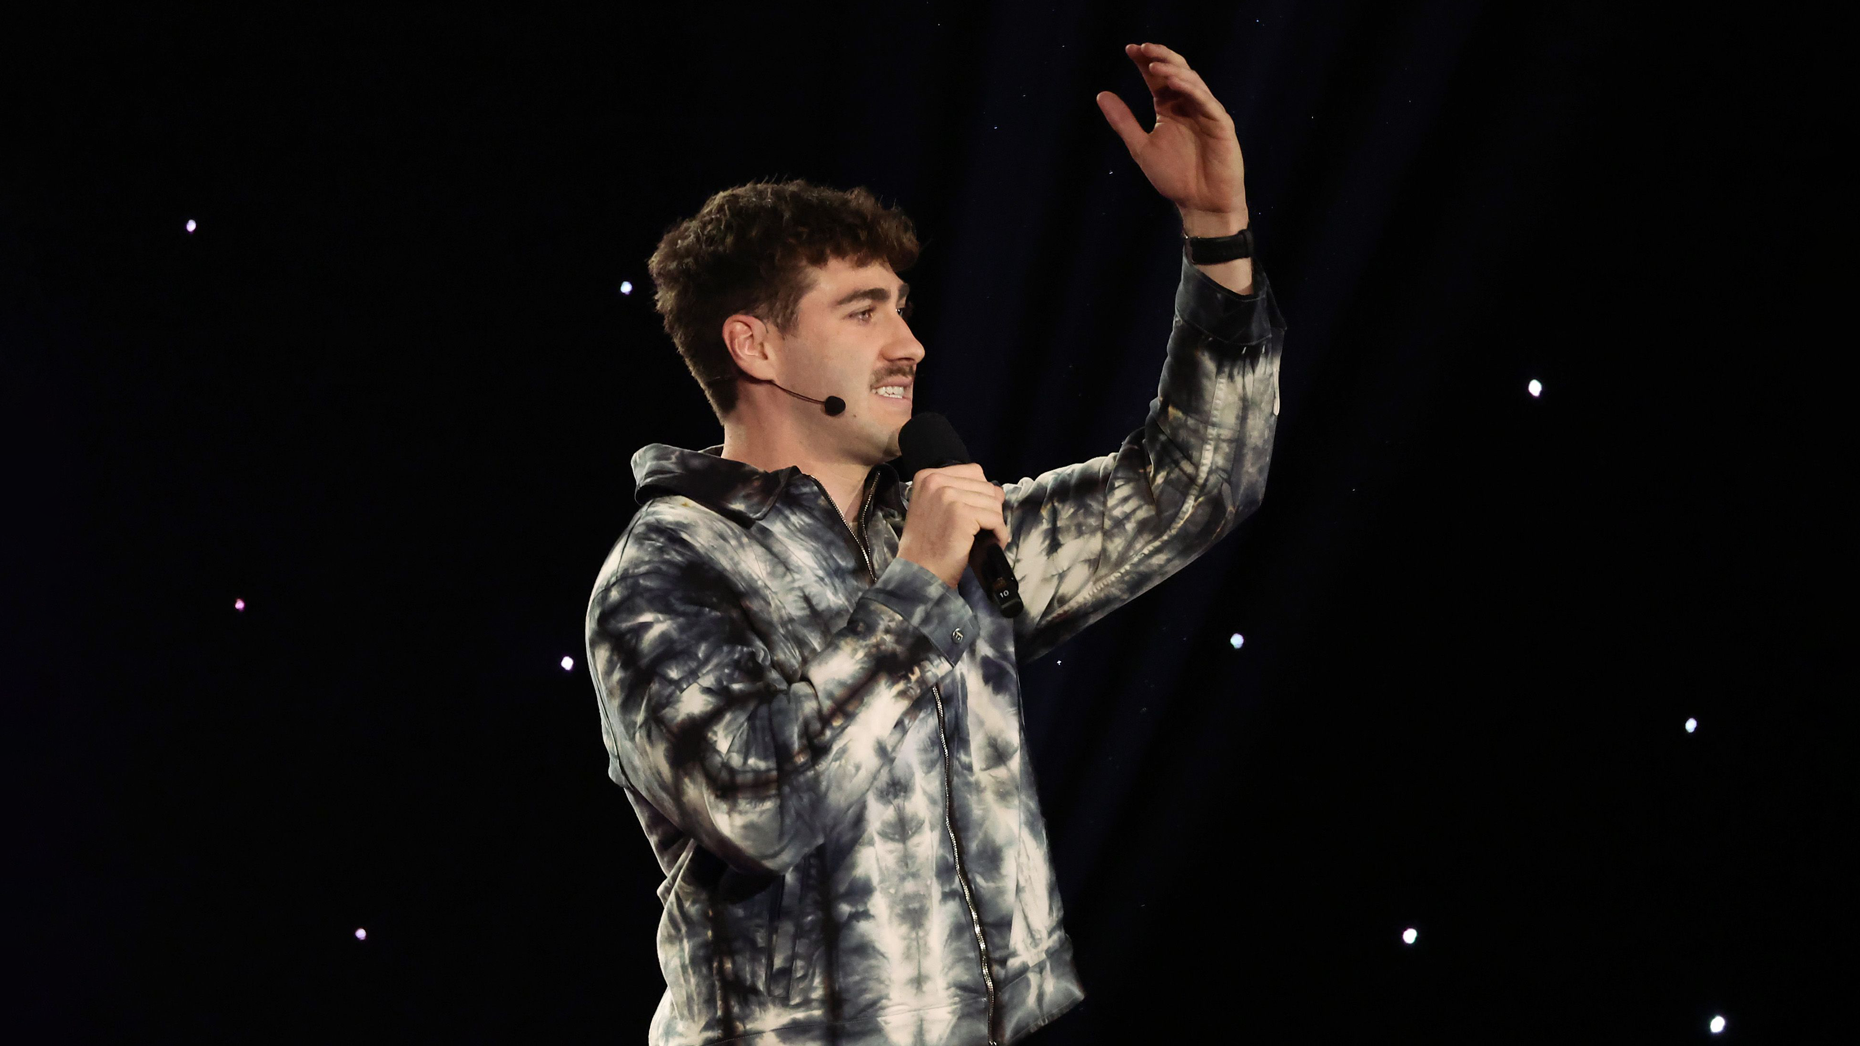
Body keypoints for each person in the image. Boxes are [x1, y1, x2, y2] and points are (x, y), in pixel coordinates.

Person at [585, 42, 1285, 1046]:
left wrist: (1217, 230)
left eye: (901, 307)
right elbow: (758, 806)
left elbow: (1193, 483)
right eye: (863, 311)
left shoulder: (944, 523)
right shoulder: (666, 572)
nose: (907, 343)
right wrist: (916, 586)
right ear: (755, 345)